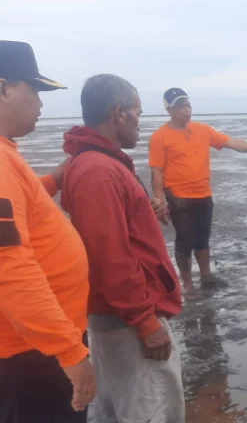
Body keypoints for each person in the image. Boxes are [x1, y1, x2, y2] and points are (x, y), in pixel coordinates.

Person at [61, 74, 185, 422]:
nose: (140, 124)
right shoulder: (97, 170)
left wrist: (146, 208)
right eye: (138, 114)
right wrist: (145, 322)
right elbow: (108, 257)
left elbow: (115, 231)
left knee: (117, 406)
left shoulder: (99, 163)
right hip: (126, 320)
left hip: (120, 315)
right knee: (150, 408)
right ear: (119, 114)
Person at [0, 40, 95, 422]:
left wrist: (54, 179)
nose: (41, 104)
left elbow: (18, 201)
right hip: (32, 353)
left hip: (37, 345)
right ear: (4, 88)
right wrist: (70, 354)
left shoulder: (7, 155)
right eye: (35, 90)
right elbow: (8, 268)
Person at [149, 87, 247, 299]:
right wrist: (159, 201)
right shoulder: (159, 137)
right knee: (184, 239)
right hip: (178, 197)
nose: (186, 110)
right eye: (180, 107)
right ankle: (187, 284)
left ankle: (206, 276)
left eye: (188, 105)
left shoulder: (203, 130)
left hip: (203, 193)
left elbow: (233, 143)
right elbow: (157, 172)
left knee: (203, 237)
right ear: (169, 110)